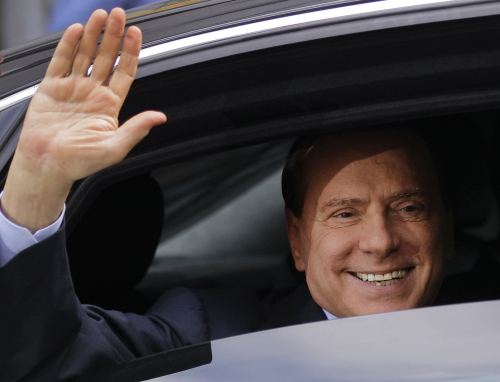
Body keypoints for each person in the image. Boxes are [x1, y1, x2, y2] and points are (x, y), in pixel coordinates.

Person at [0, 8, 455, 382]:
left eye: (408, 207)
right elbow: (44, 362)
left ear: (445, 228)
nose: (380, 240)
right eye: (344, 214)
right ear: (296, 241)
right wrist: (35, 188)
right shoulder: (217, 334)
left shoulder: (484, 320)